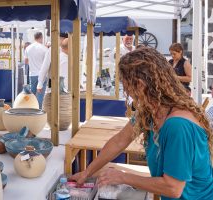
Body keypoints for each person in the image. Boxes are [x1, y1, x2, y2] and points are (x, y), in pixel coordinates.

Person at [70, 47, 213, 200]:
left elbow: (173, 188)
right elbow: (120, 141)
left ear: (140, 85)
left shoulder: (178, 125)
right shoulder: (151, 111)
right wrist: (87, 172)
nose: (126, 92)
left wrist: (123, 177)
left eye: (126, 86)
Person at [25, 32, 48, 108]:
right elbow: (47, 62)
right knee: (40, 95)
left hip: (32, 74)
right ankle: (38, 111)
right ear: (41, 37)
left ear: (34, 38)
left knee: (33, 94)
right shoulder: (44, 48)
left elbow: (26, 61)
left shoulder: (28, 48)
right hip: (42, 74)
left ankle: (32, 110)